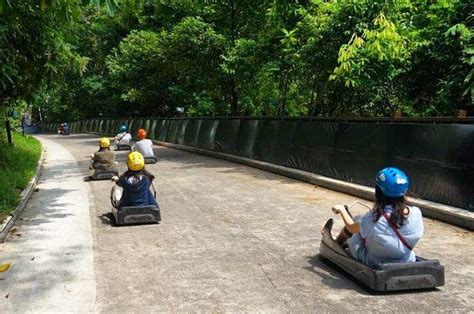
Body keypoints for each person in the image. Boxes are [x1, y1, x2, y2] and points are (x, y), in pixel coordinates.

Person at [331, 167, 424, 267]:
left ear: (378, 191)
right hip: (407, 259)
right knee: (365, 226)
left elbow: (350, 227)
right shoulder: (416, 213)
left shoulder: (373, 219)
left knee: (357, 226)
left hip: (376, 262)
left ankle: (337, 243)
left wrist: (342, 210)